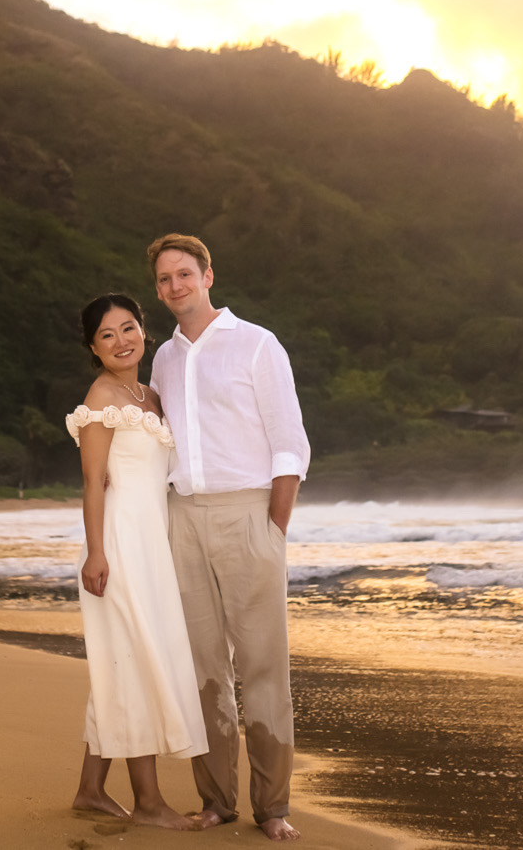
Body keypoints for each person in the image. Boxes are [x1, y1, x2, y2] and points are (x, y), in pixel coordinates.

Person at [147, 234, 311, 842]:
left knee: (264, 667)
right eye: (164, 280)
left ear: (208, 275)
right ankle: (216, 800)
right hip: (182, 516)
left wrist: (274, 526)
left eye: (184, 274)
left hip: (249, 514)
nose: (175, 287)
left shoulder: (257, 344)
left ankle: (273, 809)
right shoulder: (162, 358)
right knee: (202, 668)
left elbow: (290, 442)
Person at [67, 292, 207, 831]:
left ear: (144, 332)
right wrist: (97, 552)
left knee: (122, 661)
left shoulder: (149, 395)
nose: (121, 340)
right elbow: (92, 482)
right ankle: (148, 803)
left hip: (153, 544)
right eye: (107, 334)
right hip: (119, 544)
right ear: (93, 348)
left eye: (128, 328)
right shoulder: (101, 396)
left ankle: (89, 791)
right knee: (135, 660)